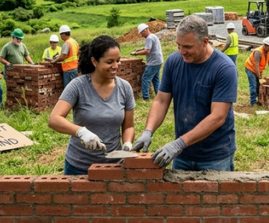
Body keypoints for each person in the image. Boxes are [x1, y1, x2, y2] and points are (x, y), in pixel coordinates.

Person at [132, 15, 238, 171]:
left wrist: (179, 144)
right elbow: (161, 100)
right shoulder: (173, 62)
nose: (182, 52)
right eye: (178, 45)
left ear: (205, 42)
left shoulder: (224, 68)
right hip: (183, 155)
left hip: (214, 156)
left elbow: (218, 117)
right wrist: (148, 131)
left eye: (187, 47)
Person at [48, 36, 135, 175]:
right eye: (109, 62)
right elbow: (54, 119)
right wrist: (81, 132)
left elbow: (128, 126)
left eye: (118, 60)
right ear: (94, 61)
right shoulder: (78, 86)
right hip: (79, 167)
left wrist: (127, 143)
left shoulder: (124, 88)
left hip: (114, 166)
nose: (115, 66)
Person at [131, 23, 163, 101]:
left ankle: (146, 98)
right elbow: (149, 47)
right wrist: (139, 50)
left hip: (153, 62)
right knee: (155, 79)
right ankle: (159, 96)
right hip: (158, 61)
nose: (141, 35)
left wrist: (135, 53)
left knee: (145, 79)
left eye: (141, 33)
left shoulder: (149, 38)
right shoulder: (153, 36)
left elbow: (147, 51)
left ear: (145, 30)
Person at [244, 36, 269, 106]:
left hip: (258, 69)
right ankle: (253, 102)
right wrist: (259, 75)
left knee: (259, 85)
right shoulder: (258, 52)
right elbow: (256, 64)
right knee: (253, 85)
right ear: (265, 45)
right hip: (250, 68)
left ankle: (259, 100)